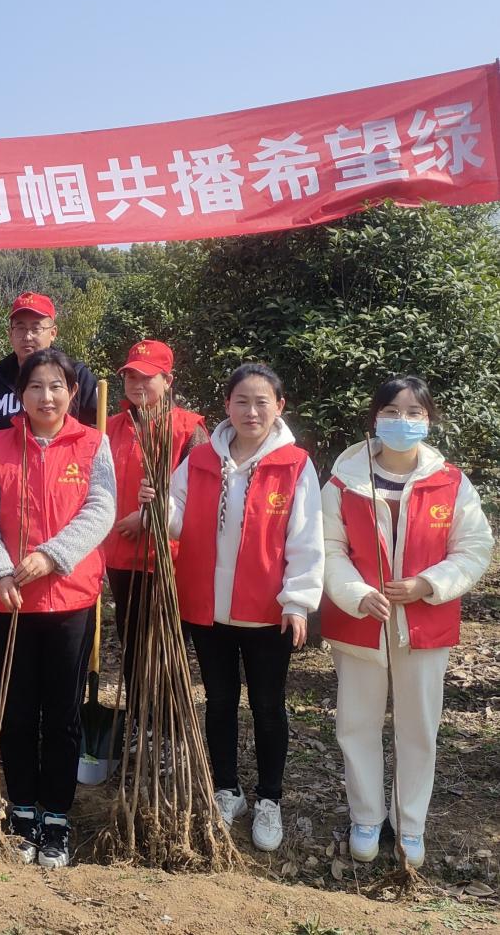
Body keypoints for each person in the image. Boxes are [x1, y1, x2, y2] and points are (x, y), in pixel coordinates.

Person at [144, 363, 323, 853]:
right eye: (241, 401)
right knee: (220, 702)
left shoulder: (294, 464)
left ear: (279, 407)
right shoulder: (202, 458)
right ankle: (227, 789)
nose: (251, 411)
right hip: (209, 607)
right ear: (227, 406)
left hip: (267, 611)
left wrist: (299, 601)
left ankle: (270, 798)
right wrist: (156, 505)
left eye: (262, 401)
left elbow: (306, 538)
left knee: (268, 706)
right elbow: (175, 518)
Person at [321, 377, 492, 868]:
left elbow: (474, 546)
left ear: (429, 419)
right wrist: (355, 593)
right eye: (392, 410)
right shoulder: (342, 481)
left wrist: (428, 585)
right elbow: (329, 547)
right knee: (357, 724)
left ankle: (410, 821)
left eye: (414, 412)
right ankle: (367, 816)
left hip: (425, 624)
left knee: (418, 726)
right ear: (375, 418)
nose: (403, 420)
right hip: (360, 623)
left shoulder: (451, 482)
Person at [0, 348, 116, 869]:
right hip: (8, 601)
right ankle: (21, 811)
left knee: (62, 714)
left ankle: (56, 815)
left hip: (68, 599)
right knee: (14, 711)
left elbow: (101, 509)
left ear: (71, 392)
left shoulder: (92, 444)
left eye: (56, 386)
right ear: (22, 394)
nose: (46, 396)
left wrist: (51, 556)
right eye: (36, 387)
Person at [0, 292, 99, 712]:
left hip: (64, 519)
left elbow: (91, 447)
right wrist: (3, 457)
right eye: (20, 326)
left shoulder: (80, 376)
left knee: (60, 700)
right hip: (9, 522)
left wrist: (48, 452)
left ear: (53, 332)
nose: (28, 335)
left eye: (37, 327)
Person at [102, 340, 206, 712]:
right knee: (131, 644)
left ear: (168, 380)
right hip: (120, 558)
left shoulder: (188, 429)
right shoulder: (110, 426)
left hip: (168, 561)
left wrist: (149, 518)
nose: (137, 383)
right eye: (130, 375)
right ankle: (138, 721)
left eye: (147, 376)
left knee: (164, 649)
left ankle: (168, 728)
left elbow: (202, 494)